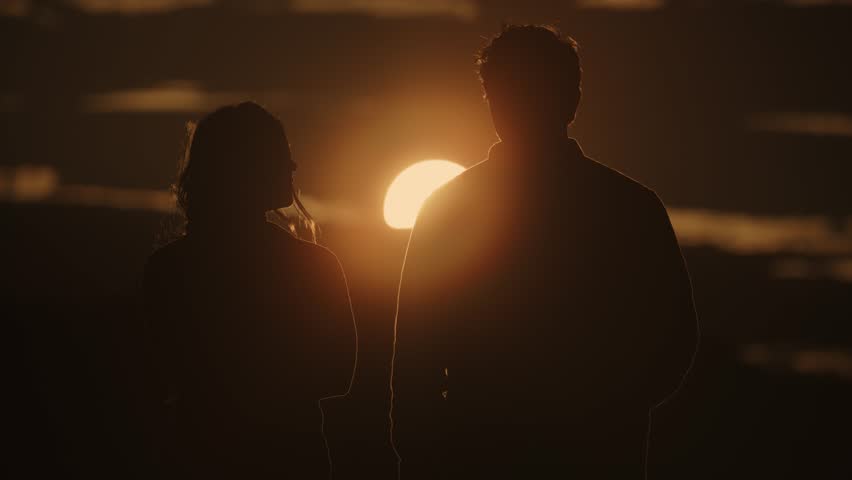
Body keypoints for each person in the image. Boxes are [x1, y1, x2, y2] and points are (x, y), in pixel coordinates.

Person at [391, 25, 699, 479]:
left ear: (571, 100)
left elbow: (415, 353)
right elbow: (415, 350)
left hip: (511, 449)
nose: (519, 105)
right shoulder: (630, 206)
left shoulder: (447, 207)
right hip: (571, 450)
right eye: (510, 91)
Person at [142, 102, 356, 479]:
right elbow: (337, 371)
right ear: (247, 168)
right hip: (288, 457)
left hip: (200, 454)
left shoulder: (169, 267)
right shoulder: (313, 266)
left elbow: (156, 376)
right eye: (280, 156)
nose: (292, 167)